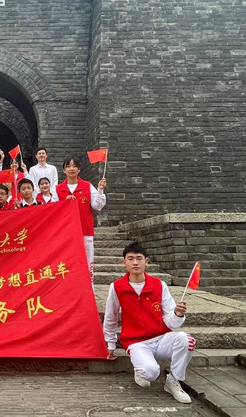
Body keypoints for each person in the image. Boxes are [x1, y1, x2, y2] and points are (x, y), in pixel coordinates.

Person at [104, 243, 195, 404]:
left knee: (186, 340)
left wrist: (177, 314)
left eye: (139, 258)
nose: (135, 263)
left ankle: (173, 381)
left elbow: (171, 322)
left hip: (161, 338)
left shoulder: (159, 285)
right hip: (136, 342)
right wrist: (110, 344)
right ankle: (141, 367)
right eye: (130, 259)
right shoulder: (117, 287)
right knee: (150, 373)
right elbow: (111, 317)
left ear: (146, 261)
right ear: (124, 262)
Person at [56, 157, 106, 285]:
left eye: (74, 166)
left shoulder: (87, 186)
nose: (71, 169)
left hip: (85, 230)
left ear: (79, 169)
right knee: (67, 261)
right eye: (68, 166)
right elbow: (54, 210)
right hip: (66, 233)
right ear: (64, 170)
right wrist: (64, 203)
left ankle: (88, 288)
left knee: (87, 262)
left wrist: (100, 190)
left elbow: (97, 206)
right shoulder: (58, 189)